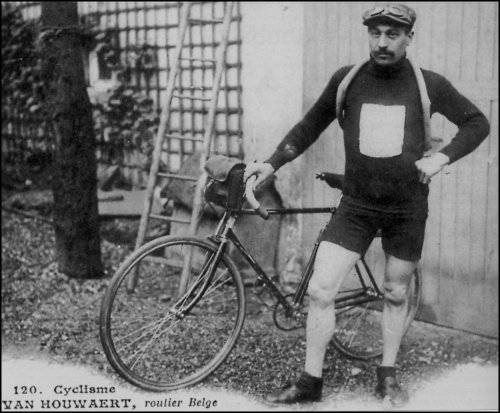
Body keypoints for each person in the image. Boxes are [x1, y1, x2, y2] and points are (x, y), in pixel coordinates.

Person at [244, 2, 490, 406]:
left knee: (395, 293)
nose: (382, 42)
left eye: (392, 34)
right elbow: (309, 126)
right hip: (356, 204)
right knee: (321, 290)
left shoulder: (428, 84)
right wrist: (271, 164)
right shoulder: (348, 81)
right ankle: (310, 382)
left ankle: (387, 375)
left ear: (410, 37)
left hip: (406, 208)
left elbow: (477, 122)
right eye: (375, 33)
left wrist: (442, 157)